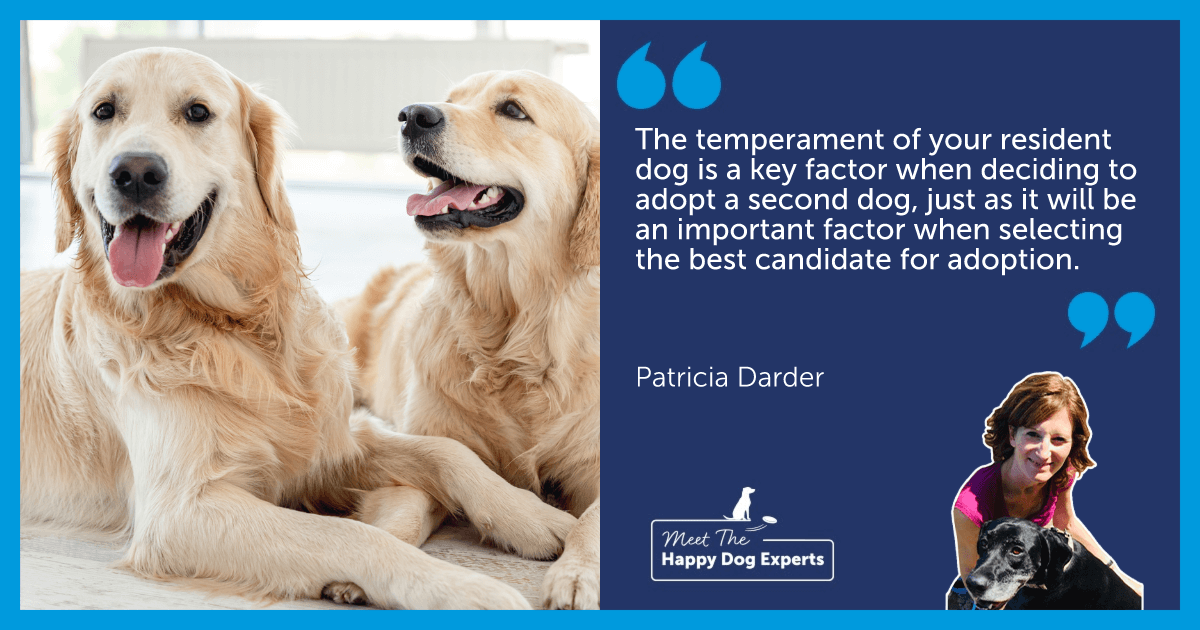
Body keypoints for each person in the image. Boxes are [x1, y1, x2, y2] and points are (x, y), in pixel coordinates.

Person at [946, 372, 1143, 609]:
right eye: (1032, 434)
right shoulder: (971, 506)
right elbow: (974, 579)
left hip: (1032, 569)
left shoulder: (1059, 473)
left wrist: (1120, 576)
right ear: (1012, 435)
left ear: (1072, 443)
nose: (1044, 453)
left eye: (1058, 439)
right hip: (991, 579)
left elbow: (1066, 523)